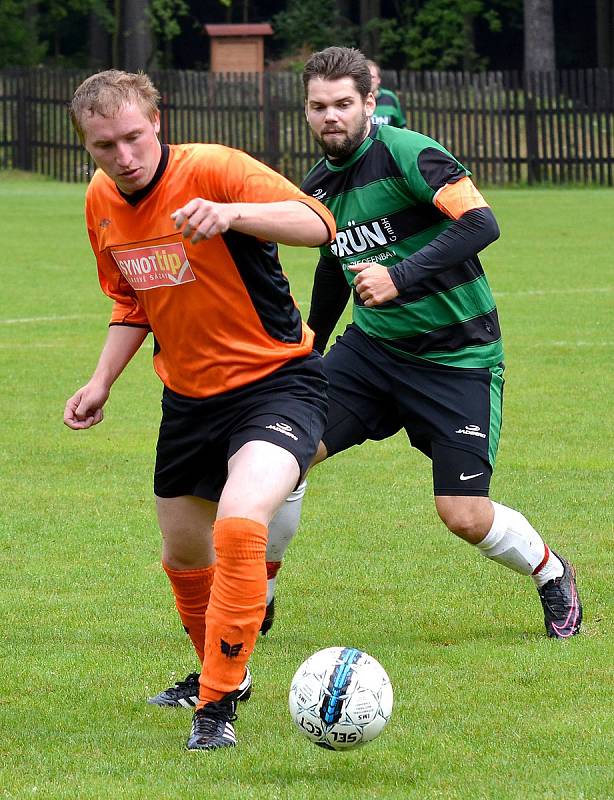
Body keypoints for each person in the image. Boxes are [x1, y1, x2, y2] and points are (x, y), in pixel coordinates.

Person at [263, 46, 582, 641]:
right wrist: (307, 347)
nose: (330, 116)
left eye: (342, 104)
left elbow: (481, 223)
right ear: (306, 111)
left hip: (457, 357)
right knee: (283, 455)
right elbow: (333, 268)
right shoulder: (319, 186)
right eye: (317, 106)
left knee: (461, 514)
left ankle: (551, 571)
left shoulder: (408, 152)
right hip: (372, 353)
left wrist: (401, 276)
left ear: (367, 102)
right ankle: (261, 595)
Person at [63, 69, 335, 752]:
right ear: (87, 148)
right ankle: (227, 674)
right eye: (104, 146)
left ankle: (215, 706)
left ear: (157, 122)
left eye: (132, 137)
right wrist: (101, 382)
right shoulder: (100, 202)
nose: (123, 157)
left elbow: (319, 222)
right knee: (185, 558)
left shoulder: (211, 167)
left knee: (241, 525)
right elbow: (132, 299)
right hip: (187, 401)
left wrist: (232, 214)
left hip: (277, 383)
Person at [366, 59, 406, 128]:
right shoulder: (357, 100)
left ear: (379, 80)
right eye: (366, 77)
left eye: (372, 77)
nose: (369, 80)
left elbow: (401, 126)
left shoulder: (390, 98)